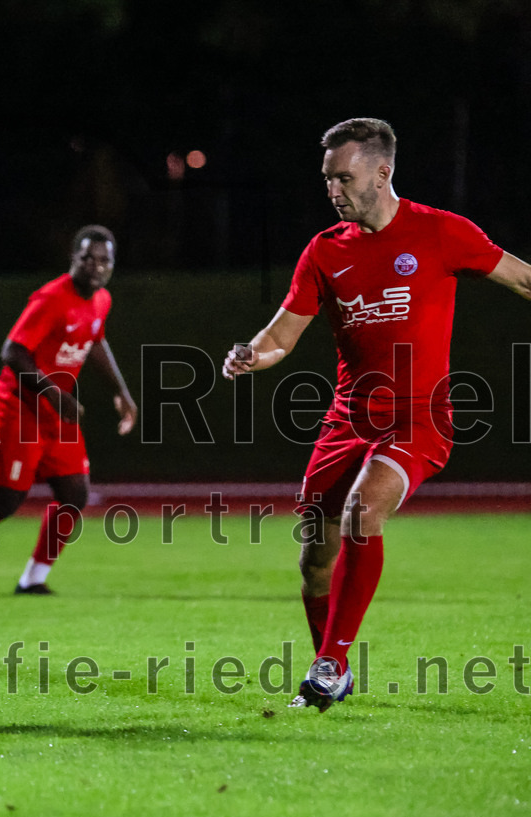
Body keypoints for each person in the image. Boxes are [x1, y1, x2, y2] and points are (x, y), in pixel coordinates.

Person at [223, 117, 531, 712]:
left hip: (419, 420)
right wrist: (250, 352)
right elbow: (283, 335)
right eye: (327, 179)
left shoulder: (441, 232)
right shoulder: (325, 251)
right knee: (316, 560)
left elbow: (521, 278)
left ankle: (330, 662)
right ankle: (331, 667)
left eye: (344, 177)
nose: (332, 189)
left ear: (382, 171)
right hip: (347, 423)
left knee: (366, 509)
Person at [0, 225, 137, 595]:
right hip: (19, 406)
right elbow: (13, 352)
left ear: (112, 265)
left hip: (53, 409)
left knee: (75, 494)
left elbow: (95, 340)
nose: (95, 266)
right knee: (7, 501)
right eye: (88, 258)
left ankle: (33, 579)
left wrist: (121, 392)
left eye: (104, 261)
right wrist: (53, 393)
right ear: (73, 259)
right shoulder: (51, 298)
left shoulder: (101, 300)